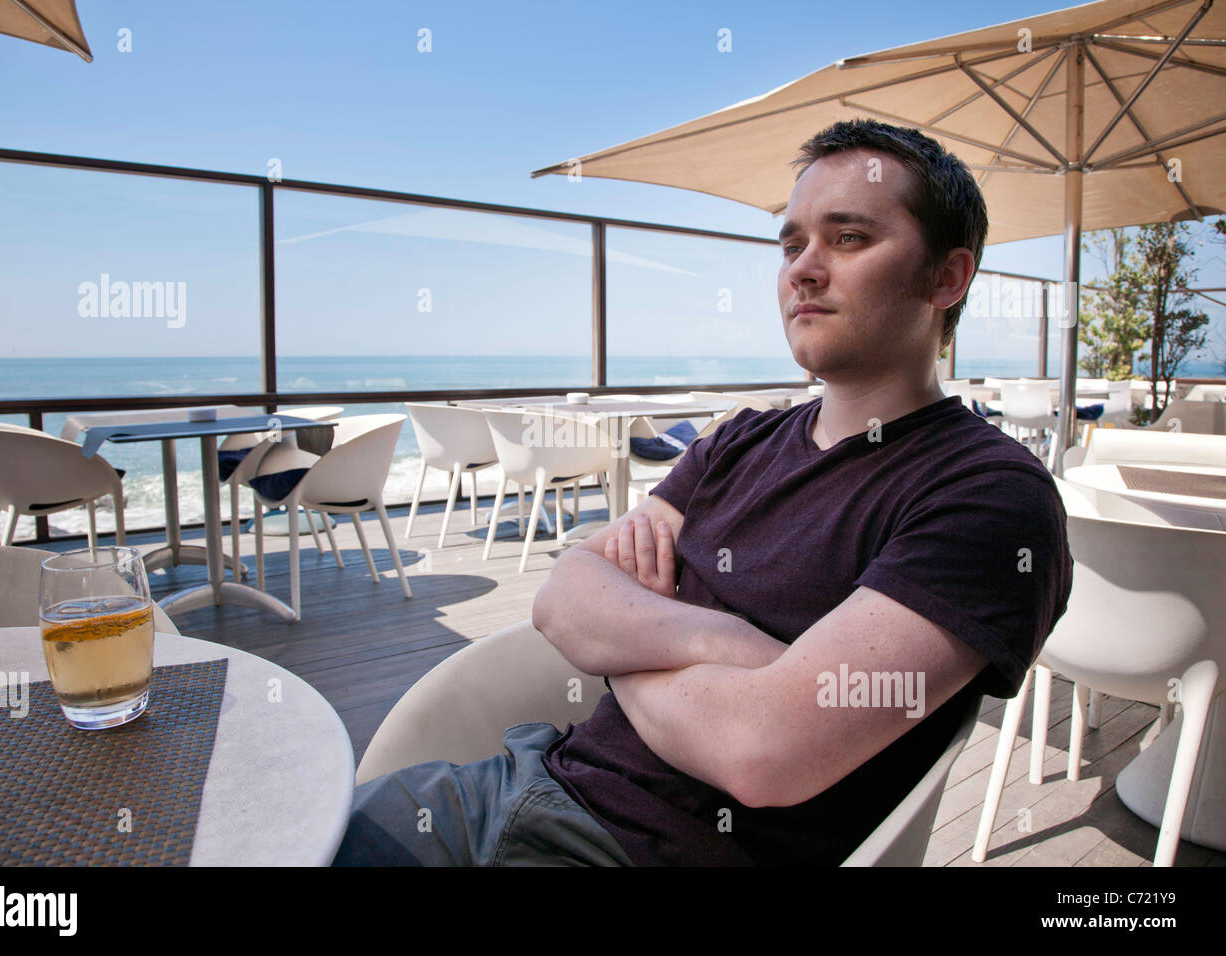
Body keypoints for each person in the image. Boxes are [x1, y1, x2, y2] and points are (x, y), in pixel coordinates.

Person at [332, 118, 1073, 866]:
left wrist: (617, 639)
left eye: (848, 239)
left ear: (948, 278)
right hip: (520, 778)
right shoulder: (737, 442)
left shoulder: (988, 497)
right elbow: (564, 597)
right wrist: (729, 645)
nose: (802, 270)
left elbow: (761, 749)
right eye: (791, 246)